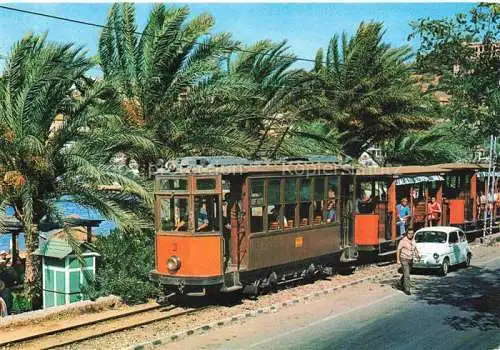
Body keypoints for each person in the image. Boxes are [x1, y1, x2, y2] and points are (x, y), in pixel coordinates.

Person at [396, 230, 420, 295]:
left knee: (406, 273)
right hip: (404, 259)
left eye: (412, 233)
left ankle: (400, 283)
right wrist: (398, 260)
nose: (411, 235)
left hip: (410, 259)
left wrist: (418, 255)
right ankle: (407, 289)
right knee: (407, 275)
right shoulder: (403, 241)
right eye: (409, 233)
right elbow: (398, 250)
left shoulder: (413, 240)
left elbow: (415, 248)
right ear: (407, 234)